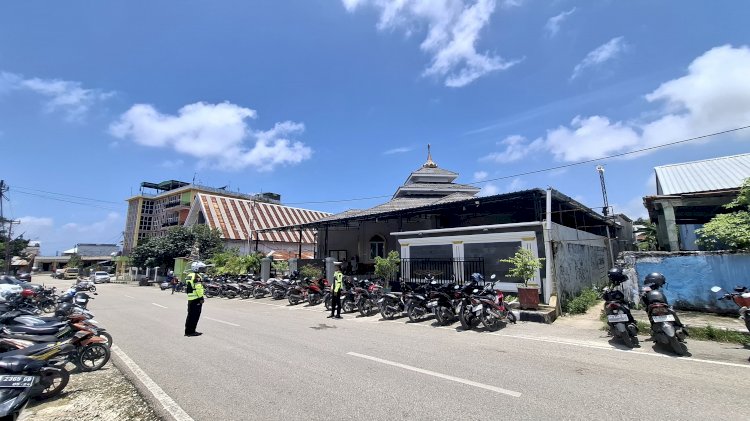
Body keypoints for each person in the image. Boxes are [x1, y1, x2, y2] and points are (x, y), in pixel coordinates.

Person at [184, 261, 206, 337]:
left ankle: (188, 331)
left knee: (190, 315)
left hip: (190, 298)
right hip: (196, 298)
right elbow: (198, 288)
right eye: (201, 268)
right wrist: (201, 297)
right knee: (195, 316)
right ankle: (191, 332)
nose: (202, 270)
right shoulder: (197, 276)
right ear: (196, 268)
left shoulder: (189, 275)